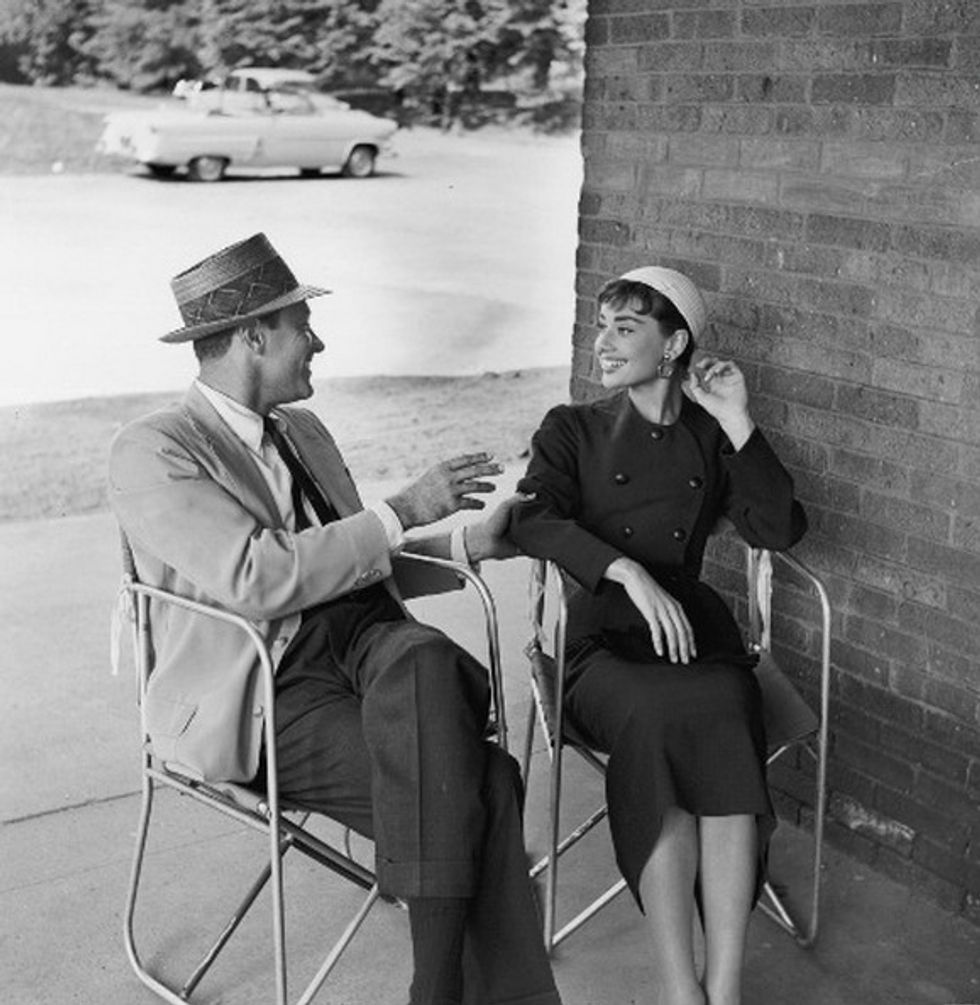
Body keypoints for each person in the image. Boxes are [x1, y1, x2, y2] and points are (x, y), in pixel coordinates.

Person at [109, 233, 562, 1005]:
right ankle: (447, 987)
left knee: (421, 660)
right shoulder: (154, 449)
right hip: (263, 691)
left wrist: (465, 541)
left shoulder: (306, 432)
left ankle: (438, 989)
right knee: (484, 779)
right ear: (253, 335)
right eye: (301, 325)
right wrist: (404, 508)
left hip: (370, 652)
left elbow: (354, 558)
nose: (317, 341)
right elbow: (258, 575)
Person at [508, 266, 807, 1005]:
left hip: (695, 640)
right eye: (602, 324)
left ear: (673, 344)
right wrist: (624, 572)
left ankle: (724, 986)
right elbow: (531, 518)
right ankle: (682, 990)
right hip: (603, 648)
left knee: (725, 711)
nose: (602, 342)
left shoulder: (711, 436)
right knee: (660, 722)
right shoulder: (570, 428)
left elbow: (779, 528)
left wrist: (739, 418)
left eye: (625, 327)